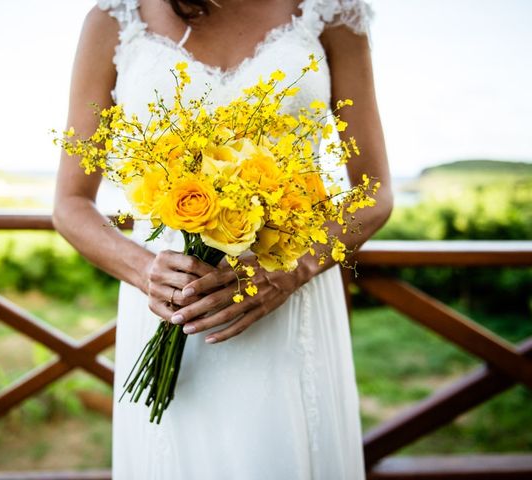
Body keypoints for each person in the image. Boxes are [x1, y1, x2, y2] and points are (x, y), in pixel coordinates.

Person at [53, 0, 393, 478]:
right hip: (171, 304)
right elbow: (70, 203)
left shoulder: (331, 12)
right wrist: (144, 268)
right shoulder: (115, 17)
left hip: (287, 305)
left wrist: (291, 270)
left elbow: (373, 193)